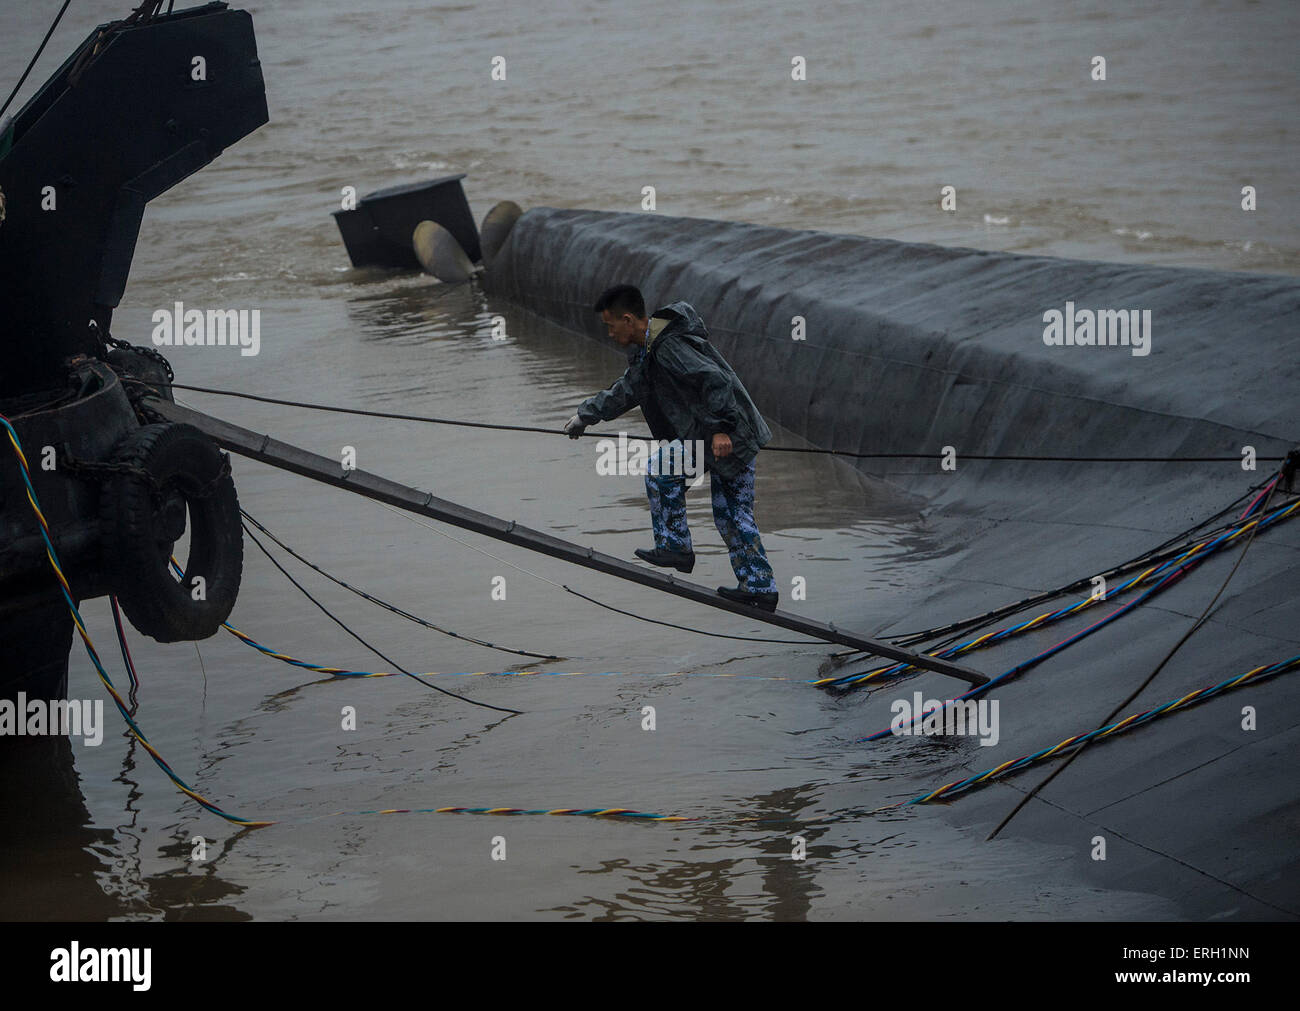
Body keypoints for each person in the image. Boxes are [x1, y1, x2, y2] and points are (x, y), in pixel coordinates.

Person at [565, 284, 779, 611]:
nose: (608, 333)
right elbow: (627, 390)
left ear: (627, 319)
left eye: (610, 325)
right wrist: (585, 415)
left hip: (726, 434)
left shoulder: (669, 346)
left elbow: (715, 380)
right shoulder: (646, 352)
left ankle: (676, 546)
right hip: (714, 434)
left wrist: (722, 429)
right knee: (731, 516)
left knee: (660, 469)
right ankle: (759, 586)